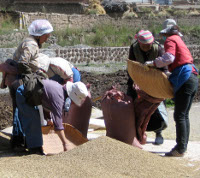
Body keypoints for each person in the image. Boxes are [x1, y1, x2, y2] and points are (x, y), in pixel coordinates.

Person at [145, 19, 198, 156]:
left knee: (179, 115)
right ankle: (182, 147)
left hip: (185, 77)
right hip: (192, 77)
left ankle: (180, 149)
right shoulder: (179, 40)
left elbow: (169, 58)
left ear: (166, 32)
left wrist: (153, 63)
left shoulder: (170, 40)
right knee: (184, 115)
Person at [15, 78, 88, 153]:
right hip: (23, 93)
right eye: (74, 101)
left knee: (34, 119)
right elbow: (58, 123)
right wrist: (65, 143)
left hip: (31, 95)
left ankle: (31, 145)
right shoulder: (59, 98)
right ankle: (33, 149)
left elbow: (46, 104)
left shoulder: (60, 91)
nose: (73, 104)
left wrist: (49, 119)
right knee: (33, 120)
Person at [127, 30, 168, 145]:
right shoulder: (134, 48)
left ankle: (159, 133)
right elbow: (131, 66)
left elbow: (164, 69)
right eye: (144, 45)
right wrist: (135, 81)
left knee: (157, 109)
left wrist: (161, 83)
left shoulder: (158, 49)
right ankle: (135, 135)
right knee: (133, 107)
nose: (146, 47)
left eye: (148, 45)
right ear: (139, 43)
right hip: (137, 81)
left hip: (155, 82)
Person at [8, 19, 53, 117]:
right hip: (19, 78)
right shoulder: (31, 44)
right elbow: (22, 63)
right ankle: (21, 131)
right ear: (38, 35)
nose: (46, 39)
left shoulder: (31, 41)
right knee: (24, 108)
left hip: (18, 76)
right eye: (45, 36)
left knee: (20, 109)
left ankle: (20, 130)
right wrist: (32, 78)